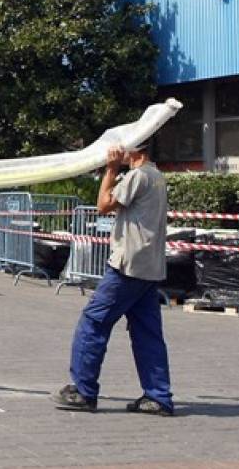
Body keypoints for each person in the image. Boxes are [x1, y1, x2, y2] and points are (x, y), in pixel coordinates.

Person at [53, 140, 174, 416]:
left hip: (127, 267)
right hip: (149, 268)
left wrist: (110, 169)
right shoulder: (157, 177)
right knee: (148, 334)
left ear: (136, 151)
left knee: (93, 322)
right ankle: (158, 396)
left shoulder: (138, 175)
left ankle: (84, 391)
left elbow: (103, 204)